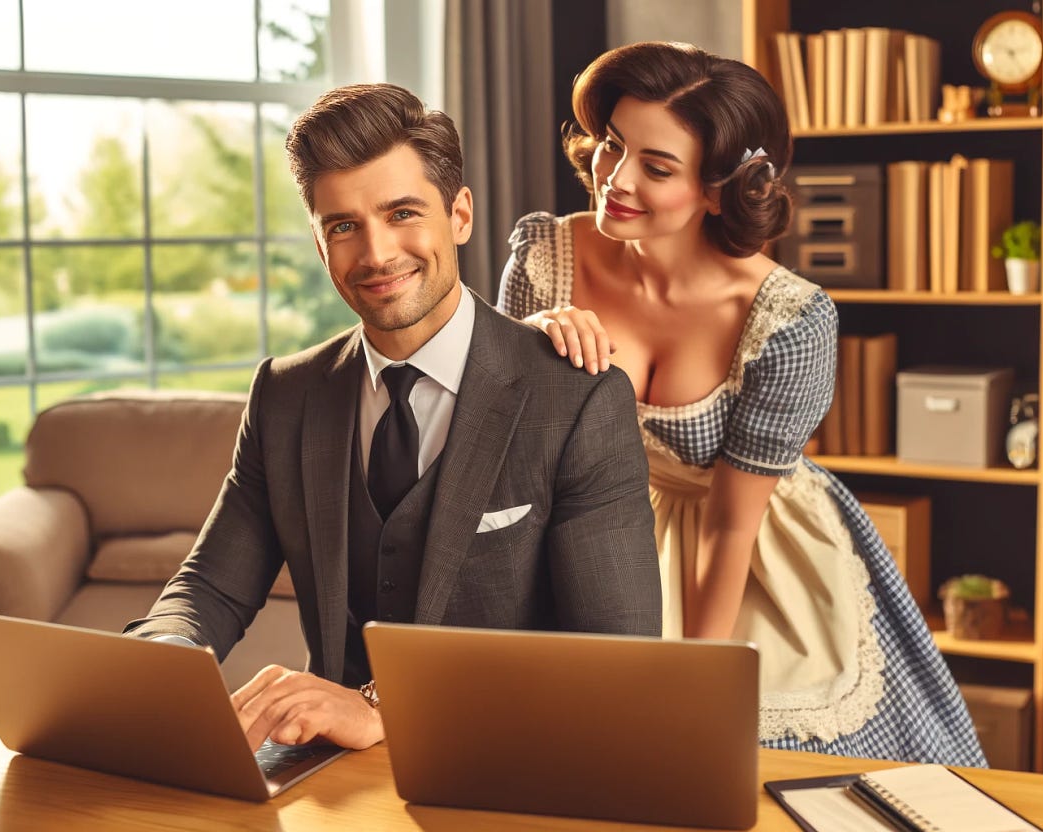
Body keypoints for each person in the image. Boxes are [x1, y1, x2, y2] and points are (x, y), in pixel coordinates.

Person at [127, 83, 661, 753]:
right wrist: (160, 661)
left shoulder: (576, 399)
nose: (376, 254)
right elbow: (211, 584)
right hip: (327, 778)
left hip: (509, 765)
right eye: (344, 226)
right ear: (321, 246)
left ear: (459, 215)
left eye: (402, 212)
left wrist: (385, 706)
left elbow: (621, 662)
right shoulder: (285, 395)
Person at [498, 42, 984, 766]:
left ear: (720, 189)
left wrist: (697, 681)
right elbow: (507, 447)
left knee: (728, 763)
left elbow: (729, 524)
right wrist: (524, 348)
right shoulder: (545, 258)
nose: (615, 178)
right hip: (597, 526)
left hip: (748, 553)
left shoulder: (789, 323)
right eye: (611, 145)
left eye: (656, 168)